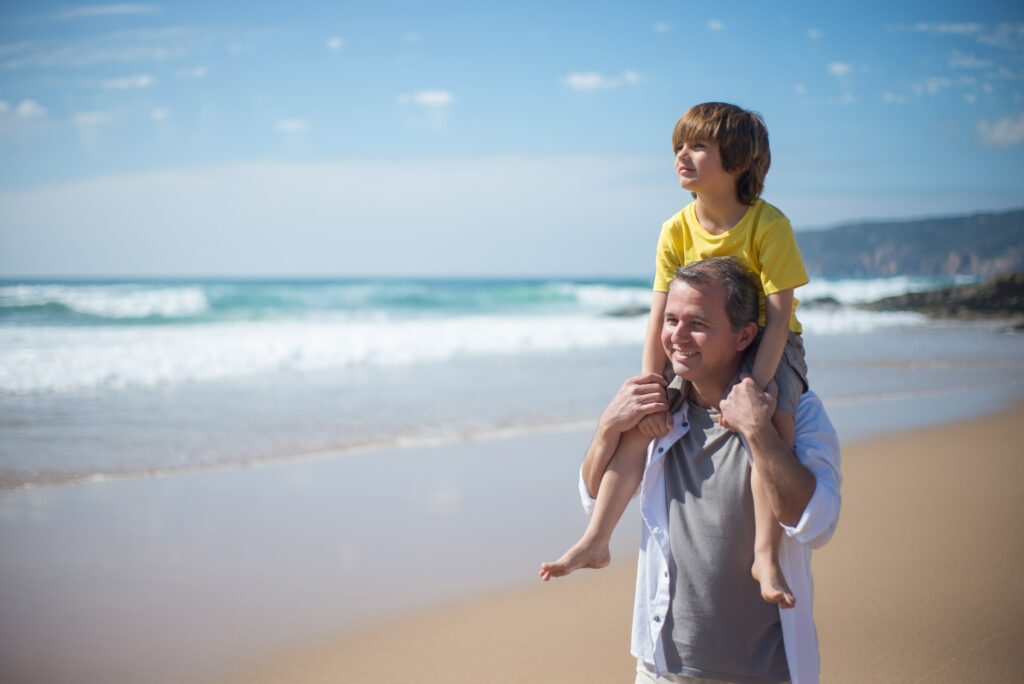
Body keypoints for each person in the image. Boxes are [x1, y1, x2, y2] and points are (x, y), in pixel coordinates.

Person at [541, 102, 810, 609]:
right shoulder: (675, 229)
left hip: (772, 344)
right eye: (678, 147)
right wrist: (650, 388)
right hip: (694, 344)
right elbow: (660, 315)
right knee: (641, 422)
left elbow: (778, 316)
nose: (682, 156)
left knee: (772, 426)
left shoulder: (768, 225)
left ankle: (765, 553)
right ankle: (596, 539)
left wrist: (754, 386)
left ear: (737, 162)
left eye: (698, 147)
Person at [559, 258, 841, 683]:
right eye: (671, 319)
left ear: (745, 335)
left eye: (698, 324)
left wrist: (758, 432)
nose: (677, 336)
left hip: (767, 673)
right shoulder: (658, 411)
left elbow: (815, 524)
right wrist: (606, 430)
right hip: (662, 671)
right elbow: (594, 497)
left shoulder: (796, 414)